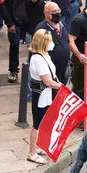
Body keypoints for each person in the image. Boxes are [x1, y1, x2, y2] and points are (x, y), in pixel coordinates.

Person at [26, 29, 61, 164]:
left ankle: (38, 146)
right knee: (37, 123)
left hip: (47, 95)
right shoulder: (38, 59)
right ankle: (32, 153)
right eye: (49, 41)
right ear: (43, 43)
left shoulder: (45, 55)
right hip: (41, 96)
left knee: (43, 122)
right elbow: (47, 81)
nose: (52, 43)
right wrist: (60, 87)